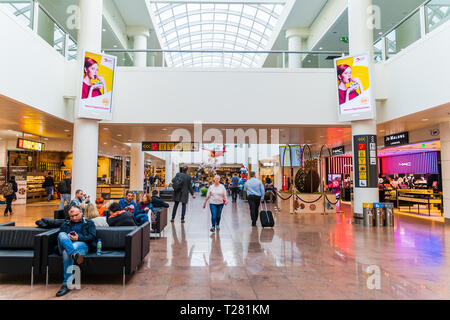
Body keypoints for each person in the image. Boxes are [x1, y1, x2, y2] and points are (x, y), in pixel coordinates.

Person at [55, 204, 96, 297]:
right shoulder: (66, 223)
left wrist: (78, 238)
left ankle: (66, 284)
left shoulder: (89, 223)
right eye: (71, 216)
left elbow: (92, 237)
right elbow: (61, 238)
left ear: (81, 212)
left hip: (82, 246)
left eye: (76, 215)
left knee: (66, 252)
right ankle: (74, 254)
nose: (74, 218)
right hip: (69, 246)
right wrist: (68, 237)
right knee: (61, 234)